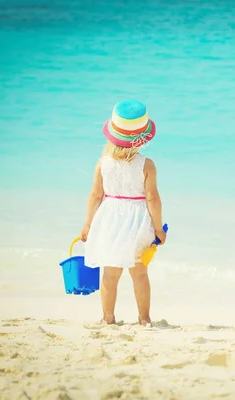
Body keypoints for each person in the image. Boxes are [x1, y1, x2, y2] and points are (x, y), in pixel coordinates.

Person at [80, 99, 167, 327]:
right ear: (143, 138)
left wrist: (88, 224)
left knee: (110, 274)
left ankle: (108, 318)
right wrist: (158, 228)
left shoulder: (102, 163)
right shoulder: (146, 165)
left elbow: (95, 195)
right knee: (139, 274)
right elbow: (152, 199)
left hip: (109, 220)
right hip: (138, 222)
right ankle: (144, 319)